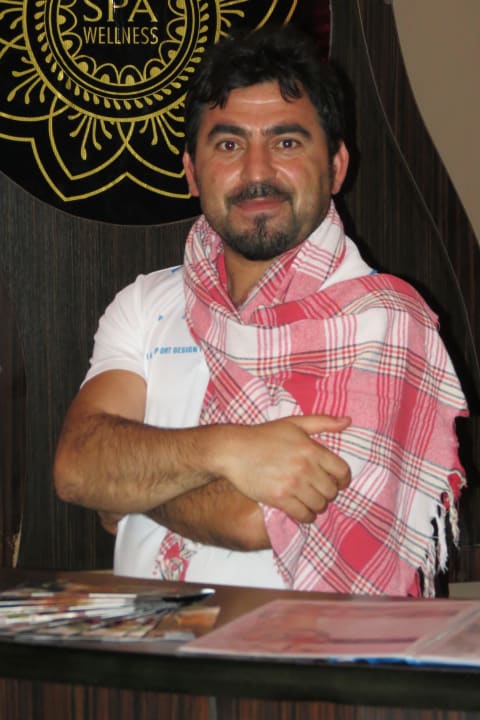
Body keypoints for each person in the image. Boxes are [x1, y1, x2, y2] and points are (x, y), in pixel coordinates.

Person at [54, 25, 468, 597]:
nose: (256, 172)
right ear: (192, 172)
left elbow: (254, 519)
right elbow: (76, 467)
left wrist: (128, 490)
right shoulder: (147, 303)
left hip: (312, 650)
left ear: (337, 167)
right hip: (142, 646)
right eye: (228, 145)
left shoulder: (385, 320)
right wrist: (228, 449)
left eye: (286, 142)